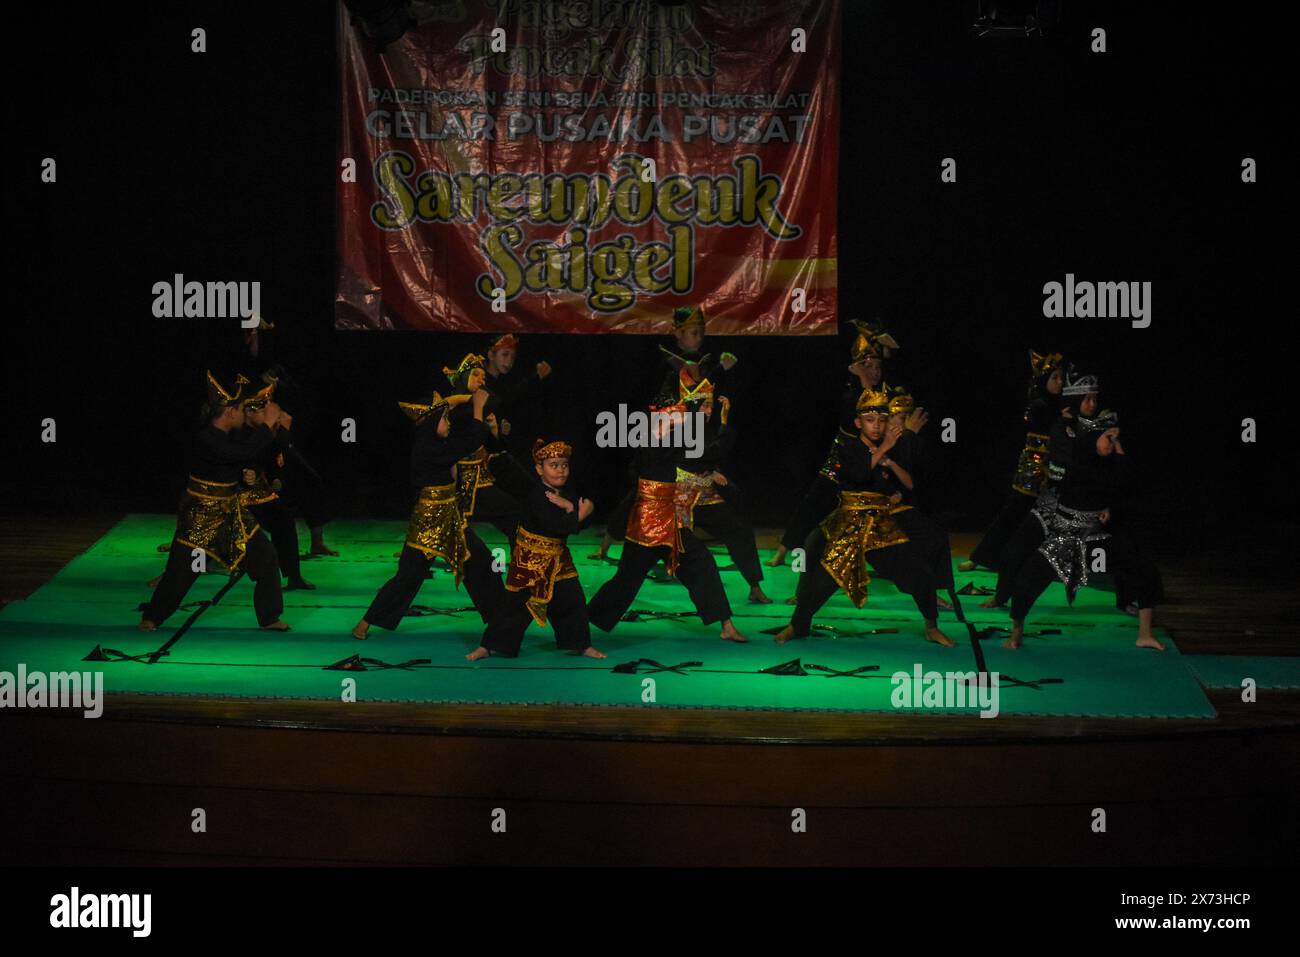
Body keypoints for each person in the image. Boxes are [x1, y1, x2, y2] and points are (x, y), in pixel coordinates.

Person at [771, 388, 956, 647]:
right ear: (859, 422)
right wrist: (886, 451)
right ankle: (797, 626)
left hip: (881, 524)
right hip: (849, 525)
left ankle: (931, 627)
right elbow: (858, 474)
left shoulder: (894, 447)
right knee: (824, 581)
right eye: (870, 420)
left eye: (882, 420)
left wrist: (891, 464)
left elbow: (908, 484)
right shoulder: (846, 446)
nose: (877, 426)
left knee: (921, 572)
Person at [586, 395, 747, 642]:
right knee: (625, 581)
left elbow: (708, 452)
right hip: (646, 525)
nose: (681, 419)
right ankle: (581, 623)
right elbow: (653, 457)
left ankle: (726, 625)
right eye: (676, 415)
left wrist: (720, 423)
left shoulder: (677, 440)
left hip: (671, 522)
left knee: (702, 564)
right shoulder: (647, 440)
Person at [139, 371, 291, 632]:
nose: (245, 414)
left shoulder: (231, 436)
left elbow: (242, 457)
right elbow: (236, 453)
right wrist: (266, 424)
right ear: (230, 412)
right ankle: (152, 617)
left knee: (266, 556)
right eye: (242, 409)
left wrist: (248, 475)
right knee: (182, 569)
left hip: (231, 511)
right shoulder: (205, 438)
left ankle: (269, 617)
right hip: (201, 514)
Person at [1000, 413, 1165, 651]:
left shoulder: (1107, 463)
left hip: (1096, 535)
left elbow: (1119, 489)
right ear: (1094, 438)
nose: (1115, 444)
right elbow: (1108, 482)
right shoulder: (1079, 462)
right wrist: (1119, 460)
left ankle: (1144, 633)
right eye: (1109, 438)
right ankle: (1016, 634)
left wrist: (1109, 506)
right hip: (1066, 536)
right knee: (1028, 579)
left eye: (1117, 439)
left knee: (1144, 569)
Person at [351, 387, 505, 639]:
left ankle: (501, 619)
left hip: (450, 517)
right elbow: (471, 440)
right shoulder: (428, 448)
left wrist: (466, 399)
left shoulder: (436, 442)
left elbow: (454, 415)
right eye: (444, 418)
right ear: (432, 422)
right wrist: (477, 407)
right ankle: (366, 622)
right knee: (409, 576)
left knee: (480, 562)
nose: (449, 422)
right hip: (429, 522)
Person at [766, 319, 900, 568]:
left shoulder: (885, 393)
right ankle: (783, 552)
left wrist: (888, 350)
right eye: (868, 366)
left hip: (873, 460)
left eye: (878, 366)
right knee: (812, 504)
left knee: (889, 505)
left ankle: (895, 562)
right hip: (843, 461)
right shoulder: (851, 394)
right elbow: (854, 415)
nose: (874, 370)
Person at [467, 439, 606, 660]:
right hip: (529, 561)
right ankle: (489, 646)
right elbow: (556, 526)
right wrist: (577, 513)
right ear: (539, 469)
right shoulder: (536, 496)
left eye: (564, 465)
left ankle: (581, 644)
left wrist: (572, 509)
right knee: (513, 607)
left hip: (558, 558)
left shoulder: (567, 492)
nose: (560, 470)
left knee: (573, 601)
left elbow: (577, 524)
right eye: (554, 465)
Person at [672, 368, 772, 604]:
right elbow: (711, 452)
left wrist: (711, 469)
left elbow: (709, 456)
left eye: (710, 406)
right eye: (705, 406)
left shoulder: (699, 426)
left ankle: (754, 586)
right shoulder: (681, 426)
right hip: (681, 495)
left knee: (739, 529)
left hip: (703, 491)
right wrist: (725, 423)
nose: (709, 411)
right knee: (666, 545)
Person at [960, 350, 1065, 571]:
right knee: (1015, 509)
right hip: (1034, 467)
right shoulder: (1039, 405)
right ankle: (983, 556)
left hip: (1057, 468)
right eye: (1054, 378)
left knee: (1050, 517)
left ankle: (1043, 564)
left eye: (1060, 378)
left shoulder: (1061, 406)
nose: (1060, 382)